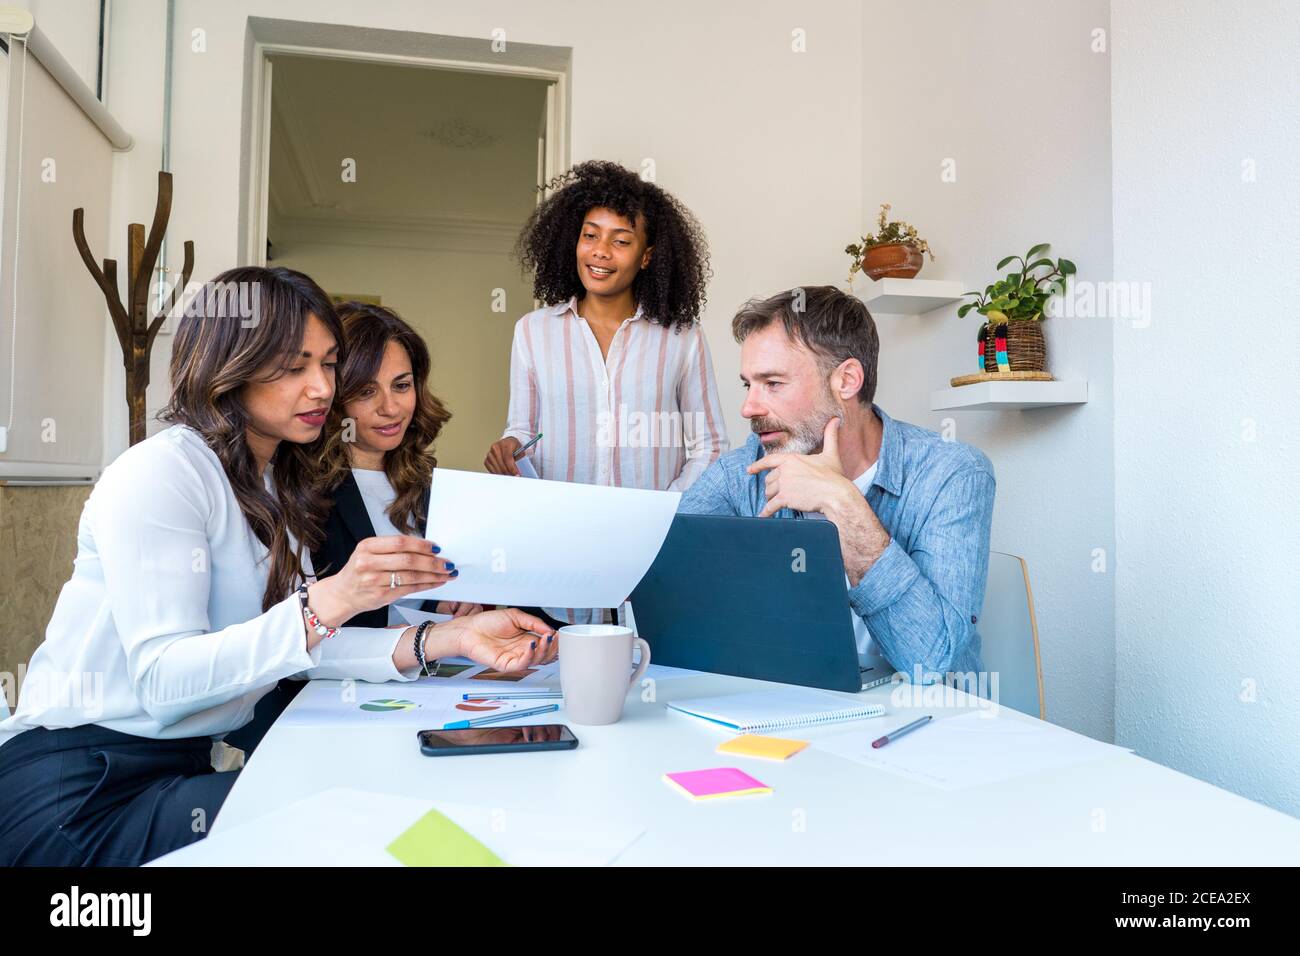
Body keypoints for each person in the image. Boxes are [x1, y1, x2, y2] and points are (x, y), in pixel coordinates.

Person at [0, 267, 555, 866]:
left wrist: (450, 637)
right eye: (293, 367)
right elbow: (164, 682)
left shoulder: (272, 487)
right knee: (357, 819)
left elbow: (300, 646)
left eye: (329, 363)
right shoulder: (162, 473)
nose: (321, 388)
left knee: (380, 805)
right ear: (228, 366)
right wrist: (332, 600)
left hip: (174, 771)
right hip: (77, 792)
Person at [678, 285, 995, 679]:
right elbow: (664, 584)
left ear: (846, 381)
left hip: (927, 723)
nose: (748, 408)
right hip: (796, 716)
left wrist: (841, 502)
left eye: (773, 384)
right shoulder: (741, 473)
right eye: (748, 385)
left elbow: (931, 663)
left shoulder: (951, 474)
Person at [483, 160, 728, 625]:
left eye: (621, 240)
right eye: (590, 235)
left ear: (647, 255)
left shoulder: (682, 337)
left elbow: (711, 446)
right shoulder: (533, 332)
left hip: (653, 558)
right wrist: (511, 449)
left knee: (653, 684)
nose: (600, 252)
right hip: (557, 556)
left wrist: (662, 512)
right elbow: (522, 429)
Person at [312, 301, 482, 626]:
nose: (390, 408)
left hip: (423, 671)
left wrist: (443, 607)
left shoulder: (427, 484)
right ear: (333, 394)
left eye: (401, 386)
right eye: (365, 391)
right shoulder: (303, 486)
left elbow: (418, 602)